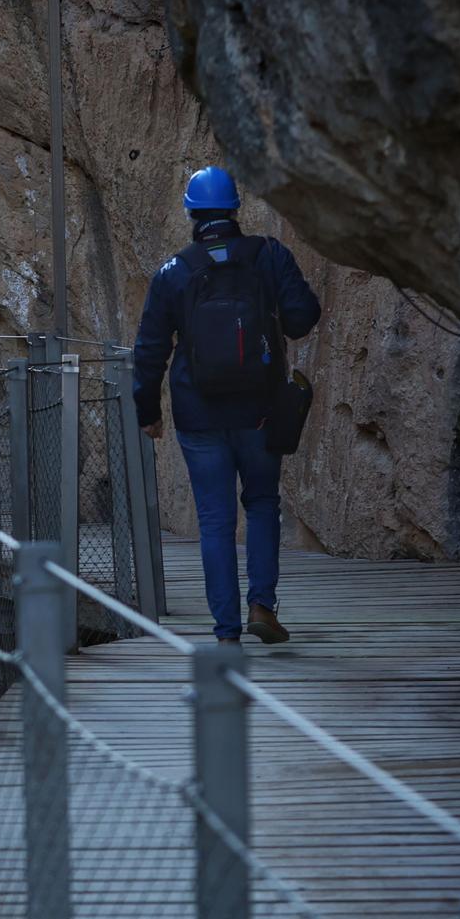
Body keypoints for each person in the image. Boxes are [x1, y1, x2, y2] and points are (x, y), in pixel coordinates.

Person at [132, 167, 320, 645]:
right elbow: (303, 318)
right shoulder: (269, 255)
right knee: (261, 505)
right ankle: (262, 605)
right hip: (260, 409)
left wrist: (147, 411)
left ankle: (226, 631)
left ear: (191, 212)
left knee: (215, 520)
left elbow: (150, 348)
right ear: (236, 208)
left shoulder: (173, 272)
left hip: (199, 414)